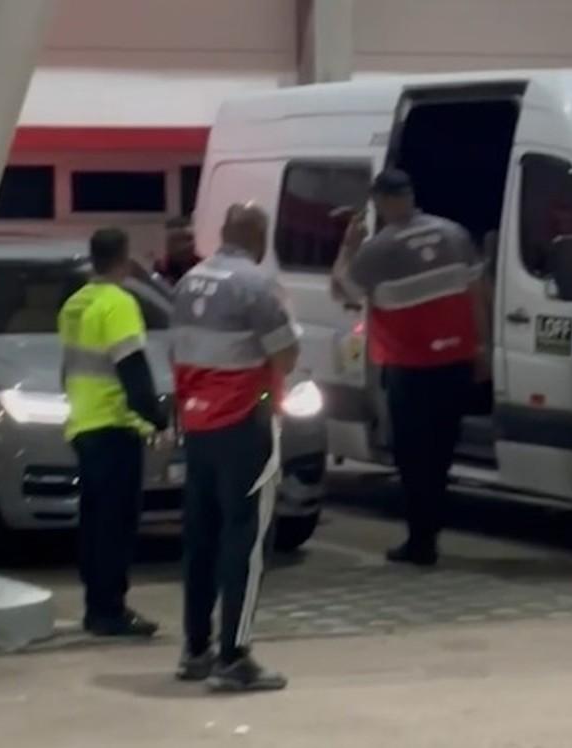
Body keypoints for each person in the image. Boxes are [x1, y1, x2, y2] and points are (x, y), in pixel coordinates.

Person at [331, 169, 491, 567]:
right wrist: (482, 347)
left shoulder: (379, 249)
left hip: (410, 368)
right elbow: (477, 293)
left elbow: (343, 291)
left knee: (412, 457)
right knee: (441, 453)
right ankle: (431, 530)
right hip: (454, 360)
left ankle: (421, 542)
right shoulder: (454, 234)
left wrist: (349, 246)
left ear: (380, 201)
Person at [172, 203, 300, 692]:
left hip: (198, 423)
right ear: (259, 235)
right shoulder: (256, 285)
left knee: (201, 537)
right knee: (245, 540)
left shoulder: (190, 281)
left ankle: (195, 650)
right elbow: (285, 355)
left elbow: (178, 351)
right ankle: (234, 656)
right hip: (245, 423)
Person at [58, 227, 168, 637]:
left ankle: (96, 605)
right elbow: (132, 370)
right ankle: (110, 611)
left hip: (84, 423)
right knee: (117, 526)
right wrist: (157, 419)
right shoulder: (118, 304)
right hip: (114, 426)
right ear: (124, 258)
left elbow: (69, 367)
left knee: (94, 522)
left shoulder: (75, 303)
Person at [156, 215, 200, 285]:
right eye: (179, 240)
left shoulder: (202, 267)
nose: (189, 244)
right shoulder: (159, 269)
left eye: (190, 238)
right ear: (169, 243)